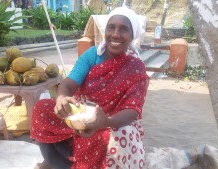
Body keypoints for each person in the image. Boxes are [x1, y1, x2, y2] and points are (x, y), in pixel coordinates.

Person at [31, 6, 149, 169]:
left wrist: (105, 121)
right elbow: (67, 84)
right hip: (81, 112)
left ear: (132, 36)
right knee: (42, 108)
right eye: (111, 27)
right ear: (105, 31)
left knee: (119, 134)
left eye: (124, 29)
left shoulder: (136, 67)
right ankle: (59, 162)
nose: (115, 34)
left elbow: (133, 110)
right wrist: (61, 99)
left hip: (112, 121)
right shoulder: (92, 54)